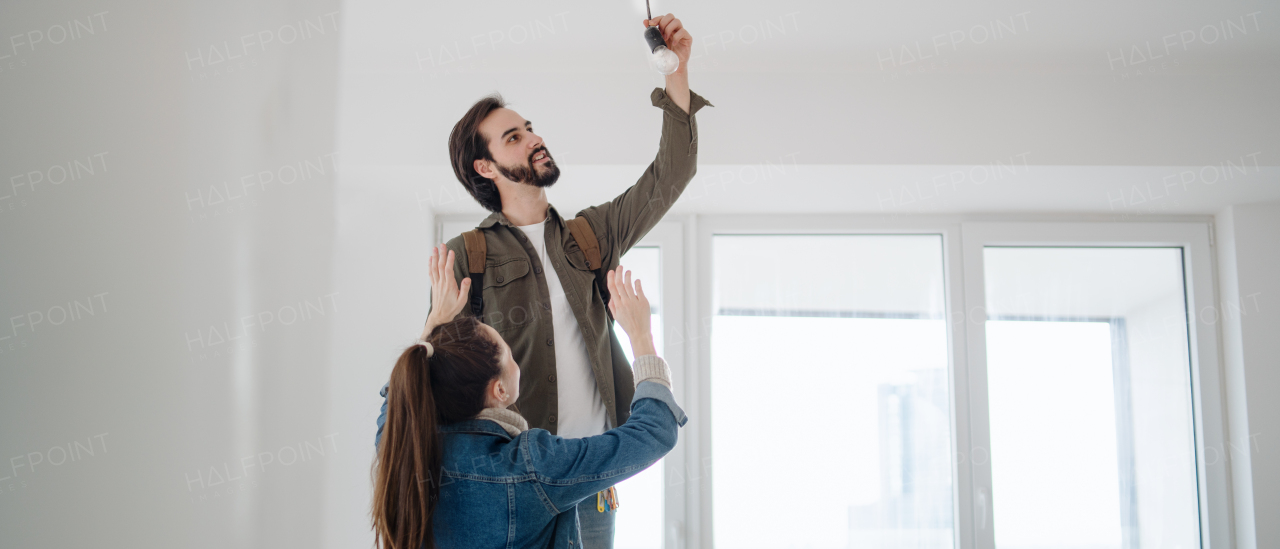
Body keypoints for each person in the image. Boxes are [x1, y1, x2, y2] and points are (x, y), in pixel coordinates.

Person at [393, 12, 708, 547]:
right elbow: (439, 381)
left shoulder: (590, 236)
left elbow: (670, 174)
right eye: (513, 137)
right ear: (485, 168)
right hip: (514, 481)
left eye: (530, 127)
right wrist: (433, 326)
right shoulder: (465, 256)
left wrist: (675, 72)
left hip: (590, 476)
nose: (534, 139)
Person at [373, 244, 686, 549]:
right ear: (500, 390)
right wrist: (641, 337)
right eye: (509, 353)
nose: (516, 360)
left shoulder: (406, 450)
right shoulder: (531, 465)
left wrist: (435, 326)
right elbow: (653, 432)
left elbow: (401, 398)